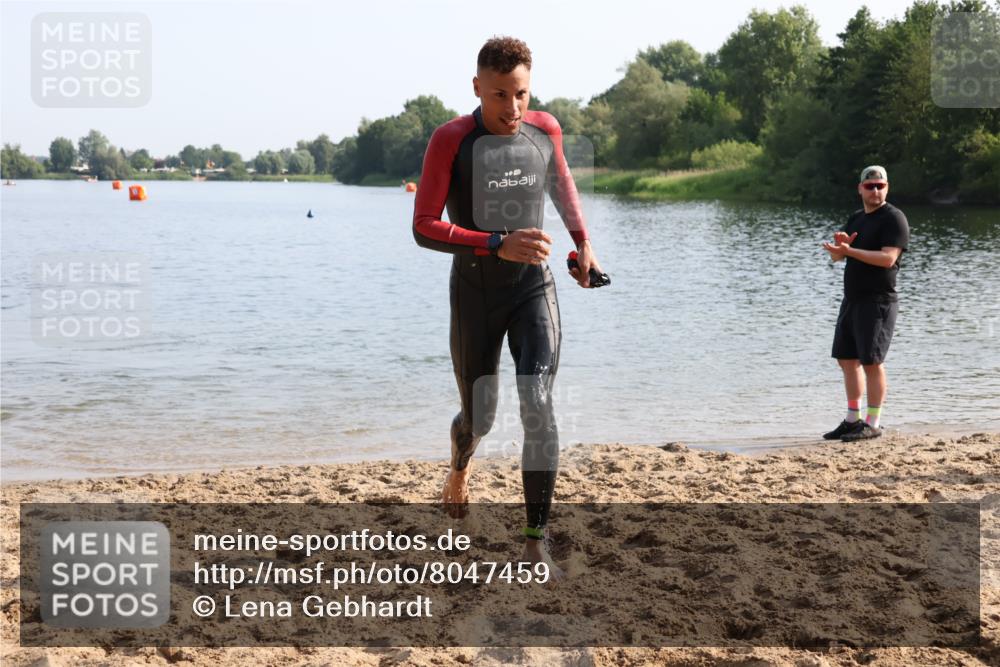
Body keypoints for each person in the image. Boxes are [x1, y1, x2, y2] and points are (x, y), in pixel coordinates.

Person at [412, 36, 604, 572]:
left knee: (538, 404)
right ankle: (458, 467)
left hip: (533, 288)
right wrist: (495, 241)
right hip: (475, 292)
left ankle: (534, 538)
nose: (512, 108)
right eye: (499, 95)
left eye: (520, 93)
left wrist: (582, 241)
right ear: (477, 88)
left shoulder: (546, 130)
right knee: (481, 418)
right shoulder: (451, 139)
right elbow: (424, 226)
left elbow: (561, 182)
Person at [822, 165, 909, 441]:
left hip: (878, 301)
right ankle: (852, 418)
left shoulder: (894, 219)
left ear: (887, 187)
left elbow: (888, 259)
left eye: (880, 186)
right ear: (860, 188)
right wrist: (839, 250)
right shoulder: (857, 218)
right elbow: (840, 258)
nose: (875, 190)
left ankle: (873, 422)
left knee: (872, 361)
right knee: (847, 359)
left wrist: (850, 251)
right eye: (870, 186)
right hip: (852, 300)